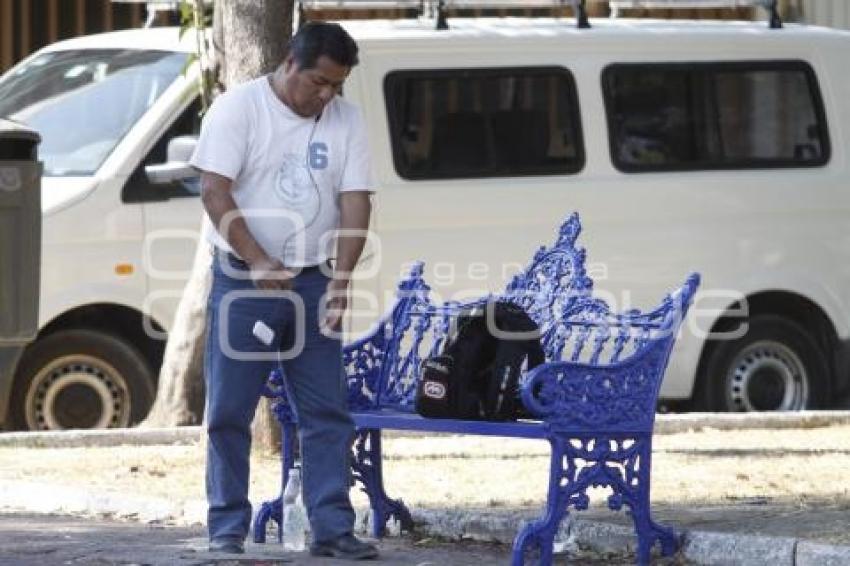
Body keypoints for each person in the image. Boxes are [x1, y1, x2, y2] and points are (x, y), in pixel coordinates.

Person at [190, 21, 378, 560]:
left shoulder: (346, 120)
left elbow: (356, 200)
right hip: (245, 280)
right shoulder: (238, 110)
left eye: (336, 86)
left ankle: (332, 528)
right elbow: (213, 190)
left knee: (327, 411)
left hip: (315, 280)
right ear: (291, 63)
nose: (326, 96)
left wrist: (341, 283)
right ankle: (226, 527)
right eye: (319, 82)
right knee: (230, 408)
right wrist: (258, 259)